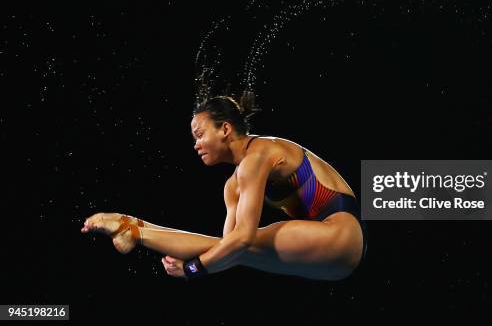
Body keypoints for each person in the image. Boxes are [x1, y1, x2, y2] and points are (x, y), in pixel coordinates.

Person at [81, 92, 367, 281]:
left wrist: (192, 269)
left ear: (226, 129)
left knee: (242, 244)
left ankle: (136, 229)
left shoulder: (260, 155)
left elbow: (241, 240)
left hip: (341, 236)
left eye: (200, 134)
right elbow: (228, 249)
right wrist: (199, 264)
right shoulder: (233, 186)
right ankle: (135, 227)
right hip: (330, 264)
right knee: (230, 248)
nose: (195, 144)